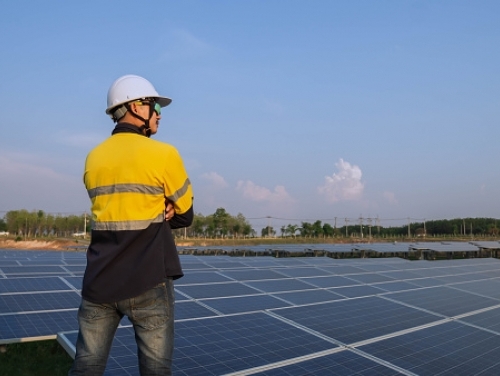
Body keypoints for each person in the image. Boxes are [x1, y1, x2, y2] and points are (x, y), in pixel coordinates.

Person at [69, 74, 194, 375]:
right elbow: (185, 215)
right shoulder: (164, 154)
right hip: (149, 280)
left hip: (99, 281)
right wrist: (162, 209)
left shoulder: (93, 157)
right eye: (156, 107)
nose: (159, 116)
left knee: (86, 367)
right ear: (137, 107)